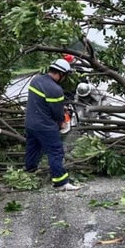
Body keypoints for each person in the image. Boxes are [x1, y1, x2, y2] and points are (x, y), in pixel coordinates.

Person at [24, 58, 82, 191]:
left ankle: (30, 172)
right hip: (45, 126)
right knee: (56, 151)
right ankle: (61, 182)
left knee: (33, 148)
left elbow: (41, 102)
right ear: (61, 74)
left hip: (30, 123)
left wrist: (60, 108)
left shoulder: (36, 80)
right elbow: (57, 113)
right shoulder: (55, 89)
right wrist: (62, 122)